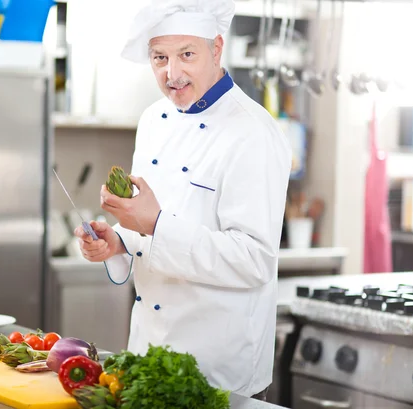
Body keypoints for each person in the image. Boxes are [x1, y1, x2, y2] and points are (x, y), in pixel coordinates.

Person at [73, 0, 292, 401]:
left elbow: (255, 259)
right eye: (159, 57)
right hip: (148, 357)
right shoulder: (153, 120)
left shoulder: (254, 133)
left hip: (218, 371)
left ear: (216, 49)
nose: (172, 74)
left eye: (186, 55)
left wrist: (155, 224)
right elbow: (155, 224)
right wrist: (119, 241)